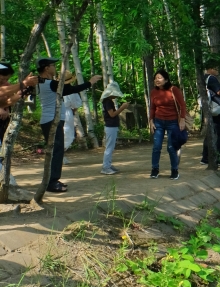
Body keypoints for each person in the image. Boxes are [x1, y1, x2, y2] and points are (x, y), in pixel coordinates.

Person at [36, 58, 101, 193]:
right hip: (52, 120)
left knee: (55, 150)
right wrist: (90, 82)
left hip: (49, 120)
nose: (55, 68)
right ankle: (52, 182)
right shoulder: (51, 84)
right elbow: (71, 89)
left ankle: (51, 180)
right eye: (53, 65)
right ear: (46, 68)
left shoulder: (40, 83)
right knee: (57, 151)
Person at [0, 62, 38, 187]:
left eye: (6, 79)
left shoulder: (5, 85)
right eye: (2, 79)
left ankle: (6, 183)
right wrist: (23, 84)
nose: (4, 82)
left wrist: (21, 94)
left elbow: (6, 102)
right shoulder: (4, 87)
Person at [148, 69, 187, 180]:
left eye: (159, 78)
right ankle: (154, 169)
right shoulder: (153, 92)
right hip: (158, 122)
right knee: (156, 147)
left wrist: (182, 119)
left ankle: (174, 170)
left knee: (171, 147)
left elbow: (182, 105)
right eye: (155, 78)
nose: (157, 80)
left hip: (173, 122)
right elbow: (152, 108)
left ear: (166, 80)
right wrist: (151, 121)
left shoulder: (173, 89)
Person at [99, 81, 129, 175]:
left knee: (111, 147)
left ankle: (108, 165)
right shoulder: (107, 102)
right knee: (109, 147)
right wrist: (122, 107)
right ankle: (105, 167)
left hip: (112, 126)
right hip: (110, 126)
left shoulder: (108, 101)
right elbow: (112, 114)